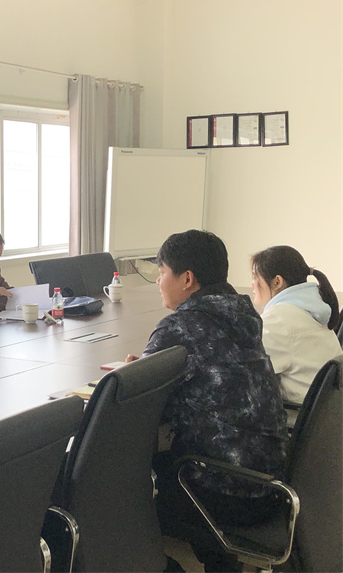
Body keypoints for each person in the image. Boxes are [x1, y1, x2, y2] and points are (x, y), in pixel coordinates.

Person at [126, 230, 288, 572]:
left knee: (120, 485)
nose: (158, 281)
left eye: (162, 272)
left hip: (223, 490)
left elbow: (134, 404)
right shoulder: (245, 315)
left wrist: (134, 374)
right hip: (271, 481)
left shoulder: (180, 327)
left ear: (187, 279)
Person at [250, 245, 342, 405]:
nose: (252, 284)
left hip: (296, 413)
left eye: (255, 277)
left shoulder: (280, 318)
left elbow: (250, 370)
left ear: (277, 282)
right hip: (327, 414)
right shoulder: (312, 311)